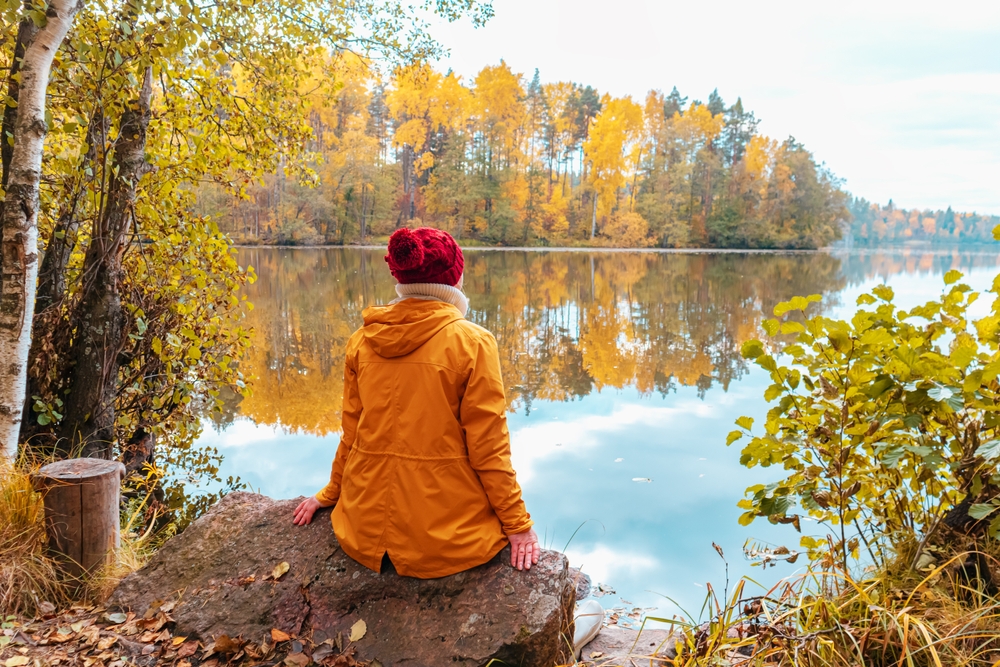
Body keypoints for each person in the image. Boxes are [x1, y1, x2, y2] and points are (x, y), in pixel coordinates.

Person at [292, 226, 540, 578]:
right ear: (455, 276)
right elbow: (489, 448)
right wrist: (517, 525)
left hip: (362, 531)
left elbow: (352, 433)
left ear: (399, 277)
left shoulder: (362, 340)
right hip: (443, 539)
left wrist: (331, 493)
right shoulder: (474, 343)